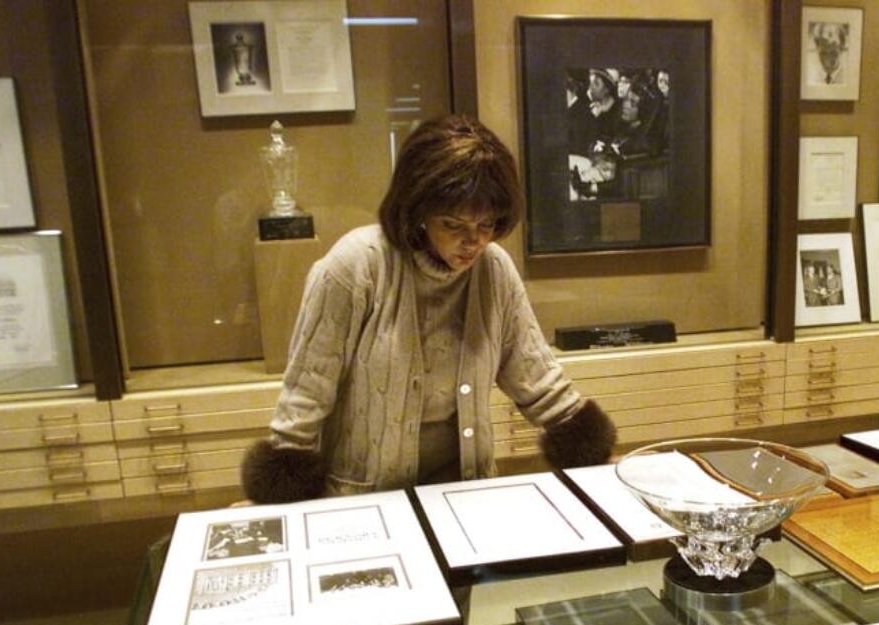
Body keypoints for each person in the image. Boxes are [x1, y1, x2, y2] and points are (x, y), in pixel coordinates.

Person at [242, 115, 615, 503]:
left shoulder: (494, 270)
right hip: (365, 497)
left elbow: (538, 378)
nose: (473, 242)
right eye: (454, 225)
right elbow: (307, 392)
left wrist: (596, 456)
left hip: (465, 493)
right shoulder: (356, 266)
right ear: (418, 210)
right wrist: (275, 501)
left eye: (486, 225)